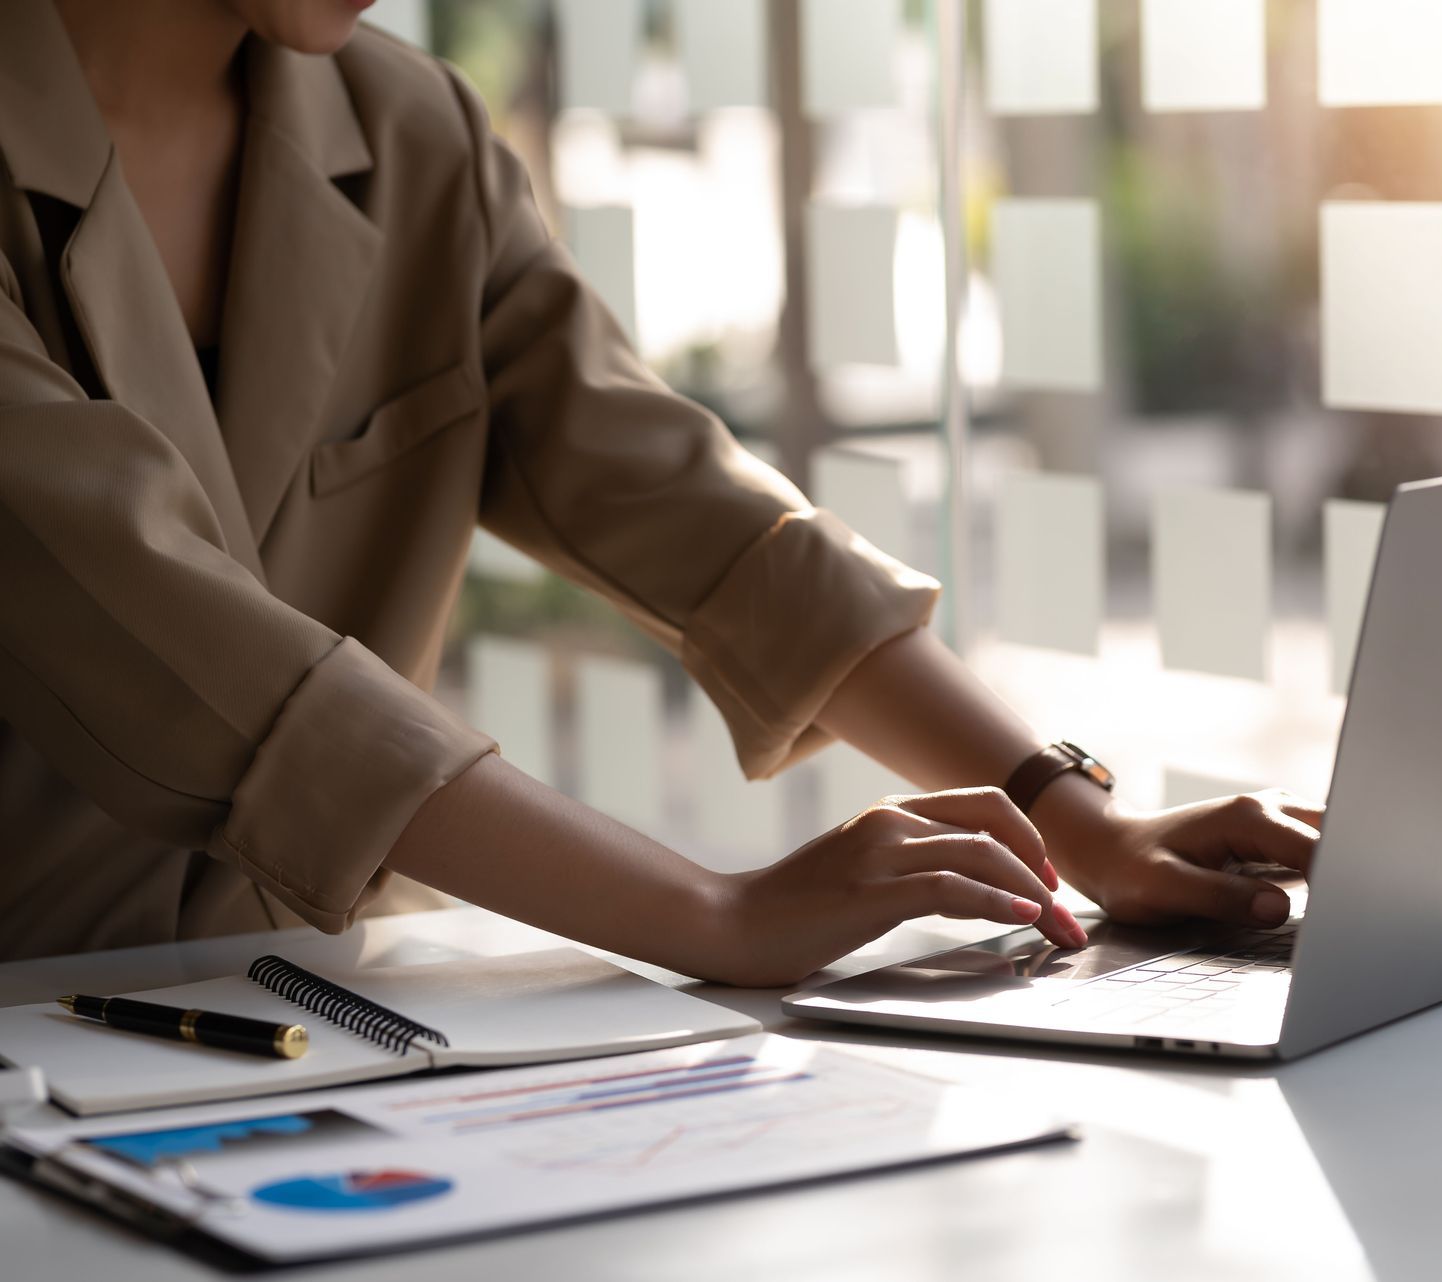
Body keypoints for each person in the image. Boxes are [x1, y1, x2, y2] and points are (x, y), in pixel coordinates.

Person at [0, 0, 1322, 979]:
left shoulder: (415, 136)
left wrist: (1076, 819)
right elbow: (166, 627)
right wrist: (716, 914)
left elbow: (682, 499)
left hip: (317, 1015)